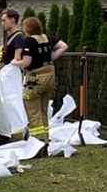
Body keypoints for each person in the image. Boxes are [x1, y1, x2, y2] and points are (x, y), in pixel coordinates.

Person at [12, 16, 68, 153]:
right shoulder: (47, 38)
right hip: (49, 76)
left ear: (27, 28)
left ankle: (38, 143)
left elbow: (26, 62)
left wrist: (14, 63)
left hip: (35, 79)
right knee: (43, 110)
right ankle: (46, 139)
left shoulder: (29, 41)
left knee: (33, 110)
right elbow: (63, 46)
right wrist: (51, 57)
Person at [0, 8, 26, 146]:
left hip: (11, 76)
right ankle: (3, 136)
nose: (2, 23)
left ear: (12, 20)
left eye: (4, 20)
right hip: (5, 73)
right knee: (1, 106)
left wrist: (2, 72)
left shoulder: (18, 37)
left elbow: (16, 59)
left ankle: (15, 136)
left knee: (11, 104)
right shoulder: (10, 37)